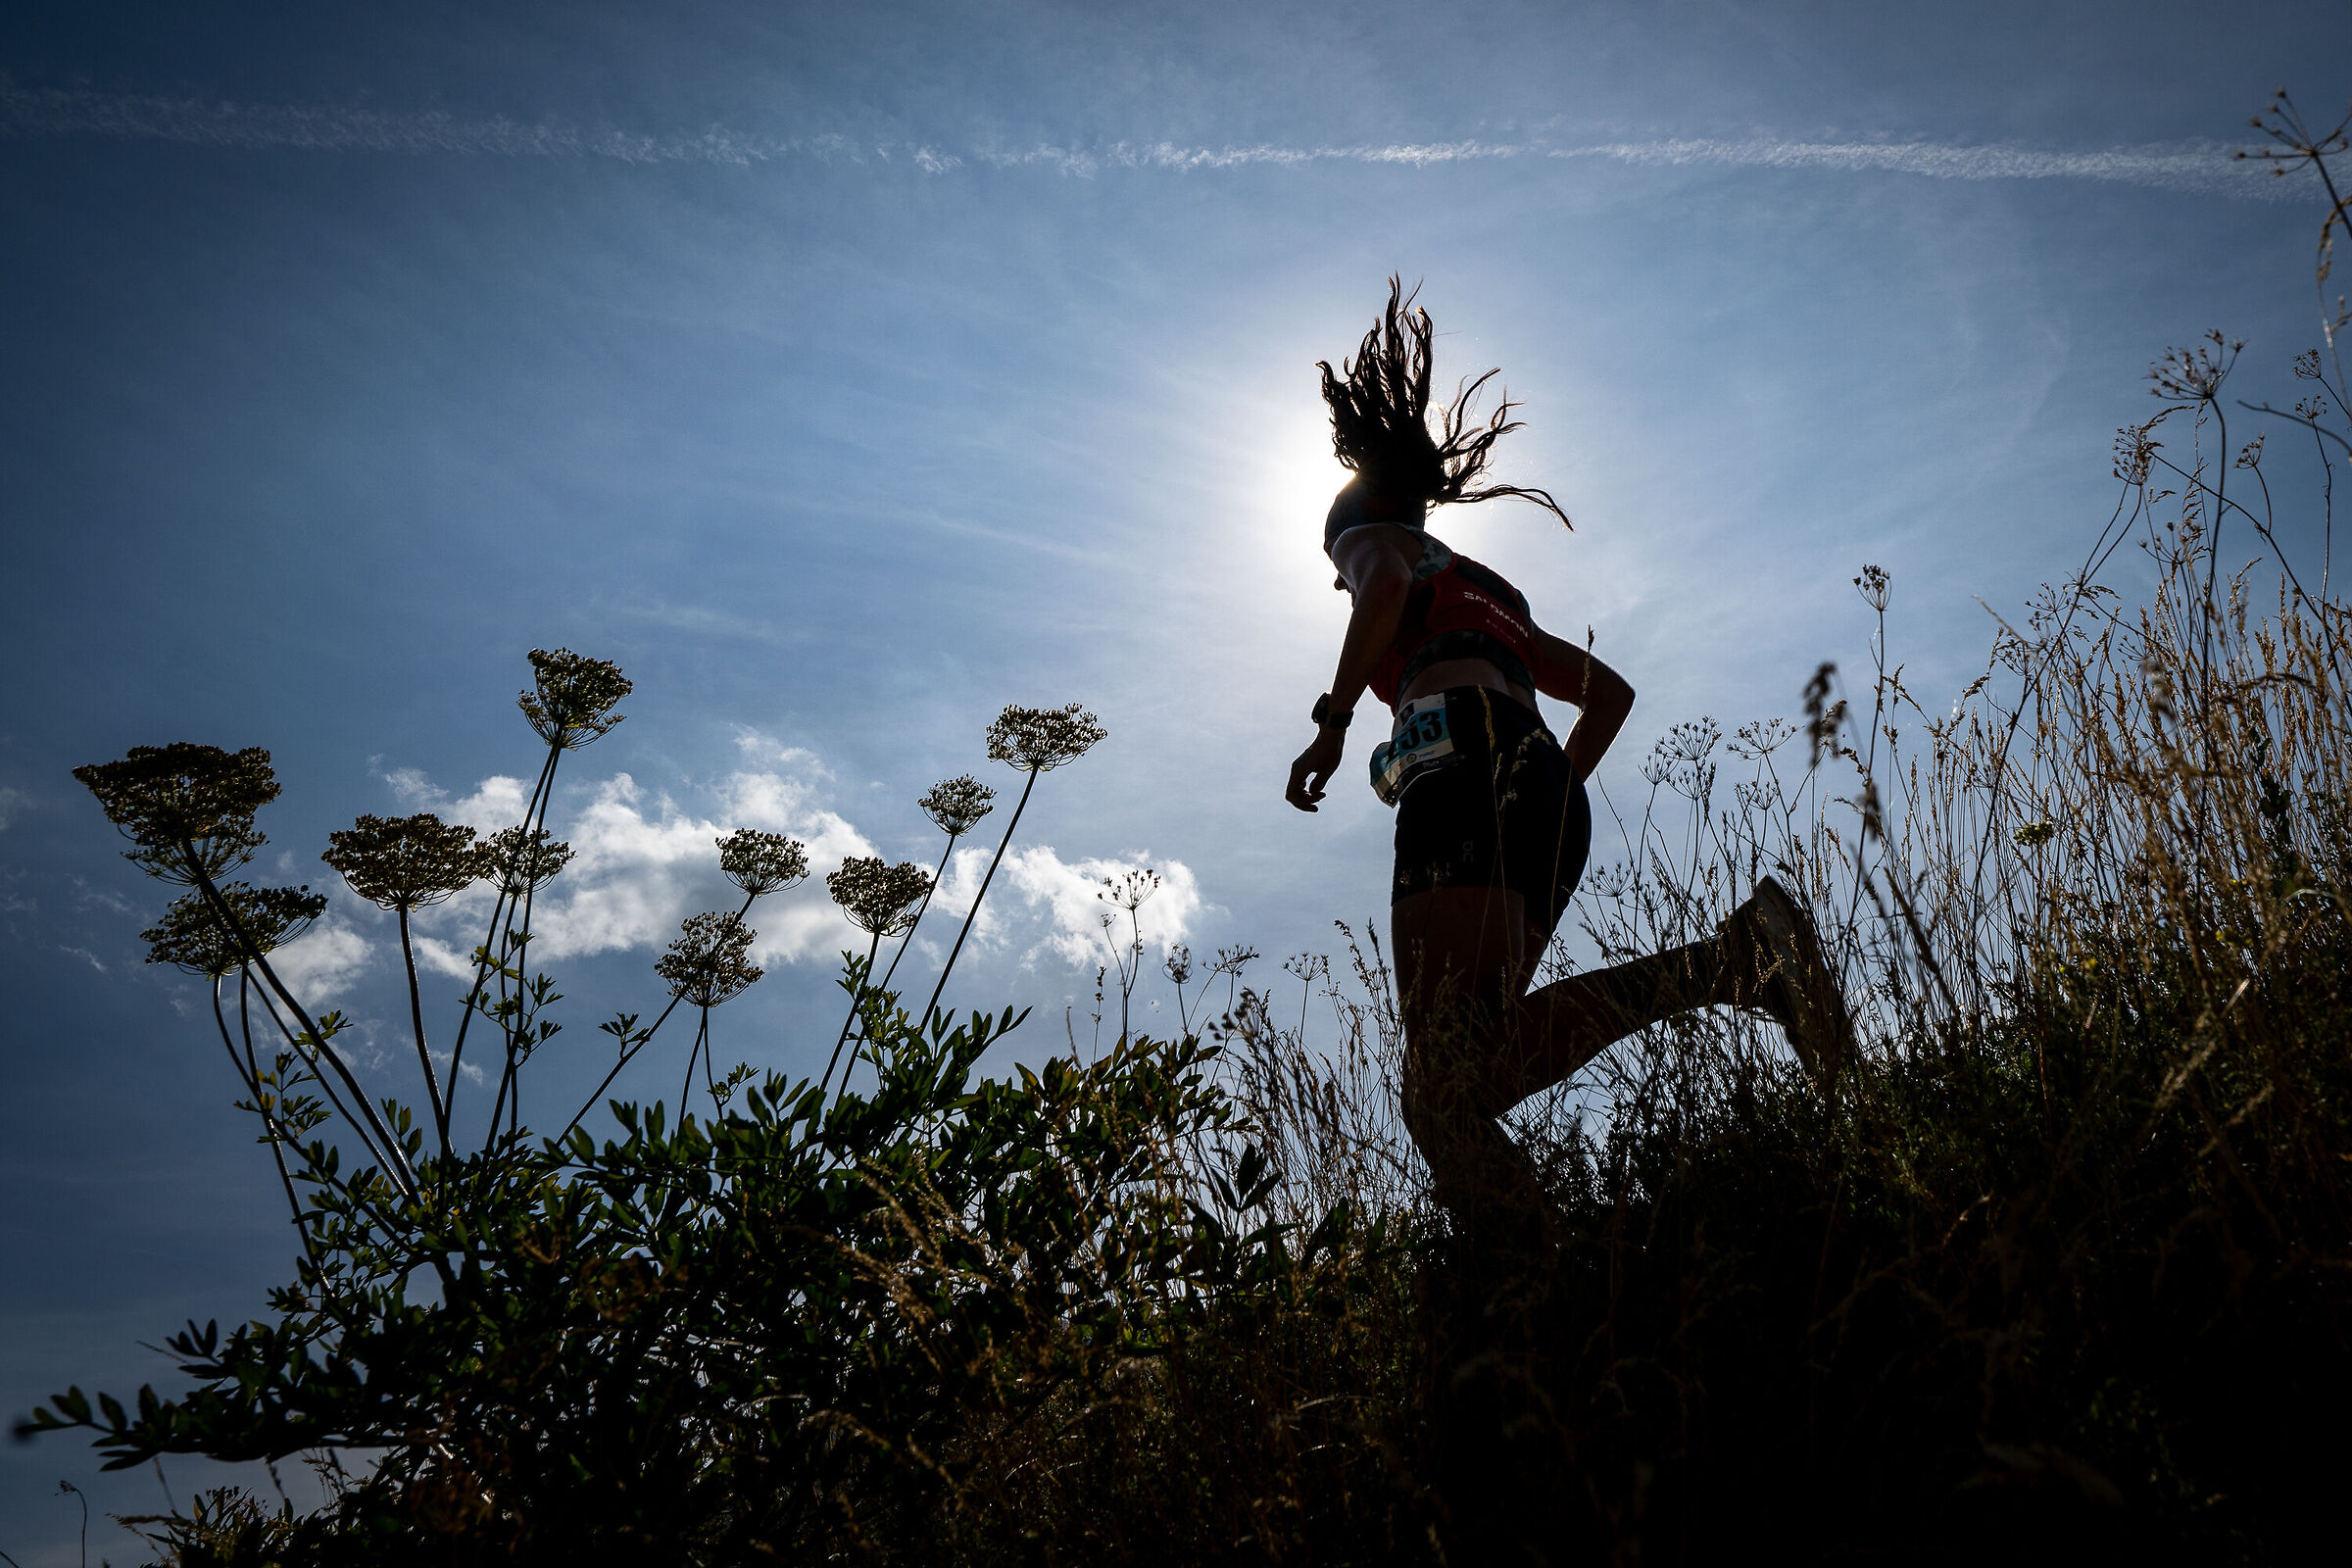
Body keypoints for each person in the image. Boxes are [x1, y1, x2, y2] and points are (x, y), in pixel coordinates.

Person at [1286, 280, 1852, 1227]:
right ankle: (1535, 1285)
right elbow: (1611, 693)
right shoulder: (1486, 588)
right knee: (1460, 1080)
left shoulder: (1371, 543)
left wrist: (1335, 719)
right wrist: (1540, 786)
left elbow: (1379, 584)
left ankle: (1733, 966)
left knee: (1444, 1087)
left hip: (1462, 766)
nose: (1342, 582)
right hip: (1538, 783)